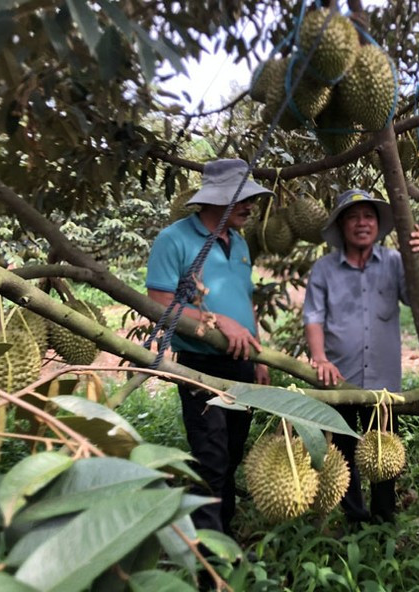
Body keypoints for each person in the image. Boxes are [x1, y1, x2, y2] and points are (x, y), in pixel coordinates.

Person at [146, 158, 272, 537]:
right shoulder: (175, 239)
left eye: (252, 199)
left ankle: (225, 533)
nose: (251, 206)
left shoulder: (240, 243)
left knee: (232, 452)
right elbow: (158, 304)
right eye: (243, 199)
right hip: (200, 365)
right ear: (215, 200)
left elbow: (244, 299)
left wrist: (259, 353)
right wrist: (217, 322)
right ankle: (207, 553)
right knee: (211, 457)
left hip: (242, 365)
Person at [302, 189, 419, 525]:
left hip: (383, 382)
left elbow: (417, 299)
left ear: (377, 224)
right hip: (339, 378)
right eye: (353, 217)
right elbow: (313, 317)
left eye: (368, 216)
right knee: (342, 451)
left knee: (383, 453)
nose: (362, 223)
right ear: (342, 225)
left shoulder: (395, 262)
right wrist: (319, 358)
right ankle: (355, 518)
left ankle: (384, 517)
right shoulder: (324, 269)